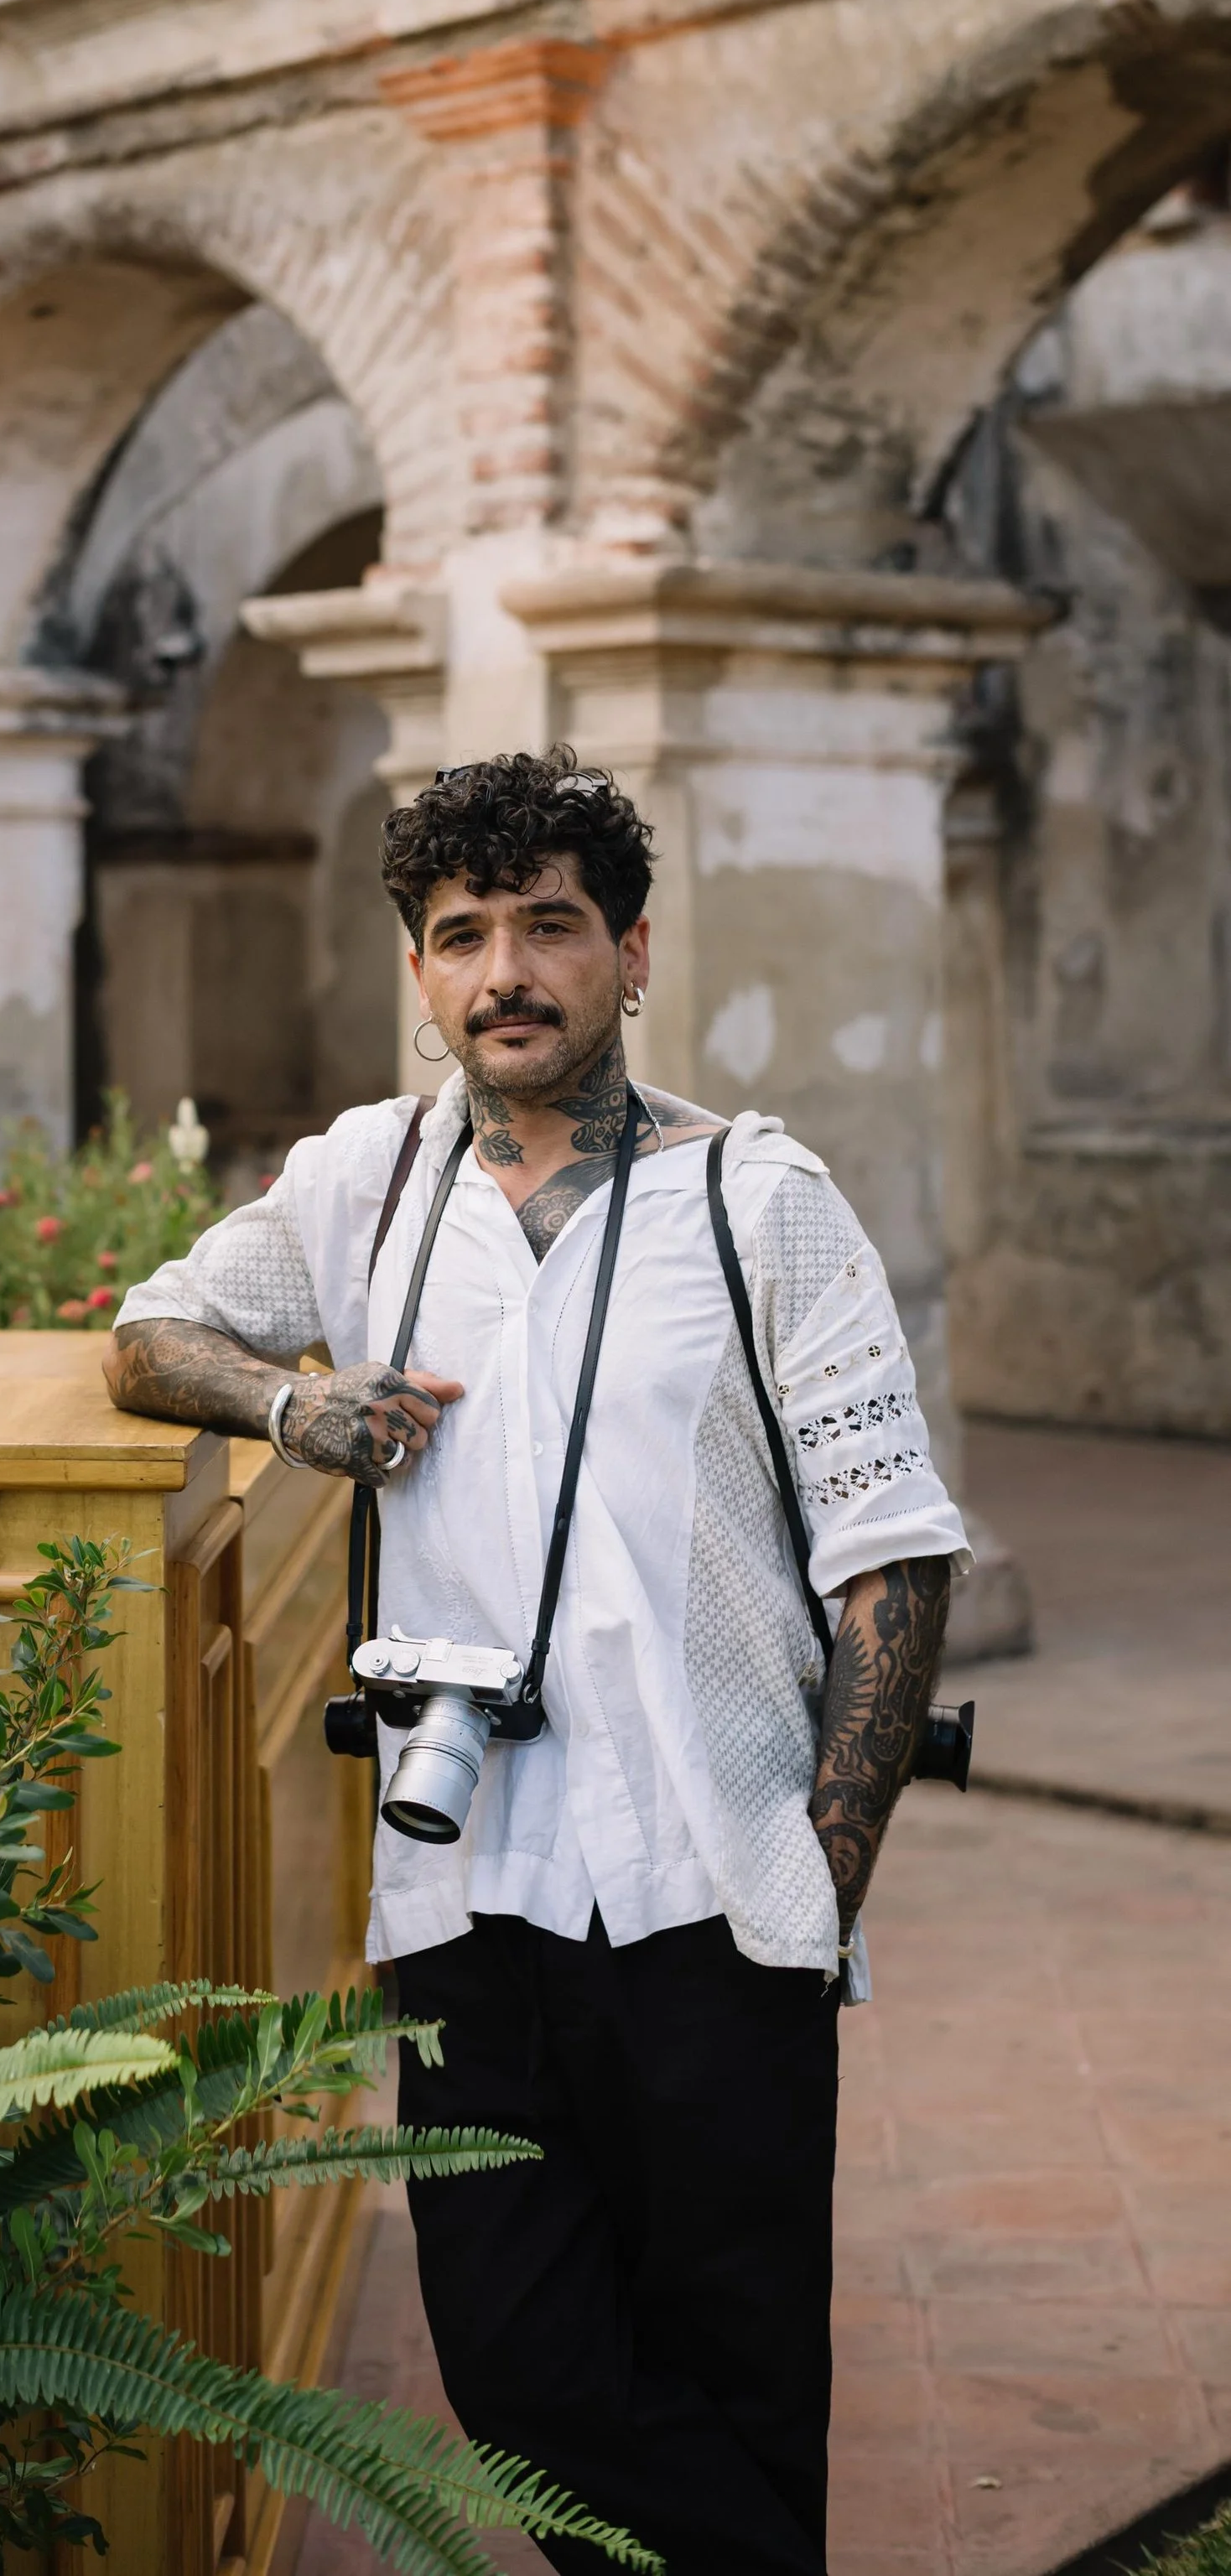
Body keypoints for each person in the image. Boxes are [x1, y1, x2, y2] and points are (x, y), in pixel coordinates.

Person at [103, 748, 966, 2576]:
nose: (504, 969)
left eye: (548, 926)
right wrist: (291, 1400)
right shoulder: (363, 1186)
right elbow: (146, 1333)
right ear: (419, 972)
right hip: (464, 1894)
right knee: (521, 2375)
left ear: (628, 951)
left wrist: (820, 1860)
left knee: (735, 2377)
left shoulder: (761, 1200)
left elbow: (889, 1551)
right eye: (459, 933)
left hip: (717, 1898)